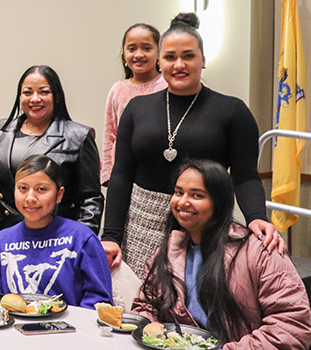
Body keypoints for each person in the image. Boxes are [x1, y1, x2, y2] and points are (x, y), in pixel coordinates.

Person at [101, 13, 282, 279]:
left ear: (203, 60)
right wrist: (111, 235)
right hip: (142, 226)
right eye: (170, 57)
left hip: (205, 225)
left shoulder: (232, 111)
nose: (179, 65)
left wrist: (257, 217)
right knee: (141, 311)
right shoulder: (137, 109)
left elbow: (245, 176)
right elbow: (121, 175)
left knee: (199, 307)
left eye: (188, 56)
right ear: (159, 62)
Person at [132, 159, 311, 349]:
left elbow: (292, 327)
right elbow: (145, 306)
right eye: (178, 192)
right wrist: (151, 332)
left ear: (219, 202)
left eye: (197, 195)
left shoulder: (259, 251)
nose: (183, 202)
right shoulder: (169, 249)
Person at [0, 65, 103, 234]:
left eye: (43, 92)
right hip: (4, 234)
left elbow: (90, 200)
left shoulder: (78, 136)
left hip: (56, 237)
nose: (35, 99)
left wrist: (81, 242)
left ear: (56, 96)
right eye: (28, 92)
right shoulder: (2, 130)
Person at [0, 155, 112, 309]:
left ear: (59, 194)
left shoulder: (81, 238)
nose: (30, 198)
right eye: (23, 188)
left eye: (41, 189)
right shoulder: (2, 239)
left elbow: (99, 302)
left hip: (68, 328)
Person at [101, 23, 167, 186]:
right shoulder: (118, 89)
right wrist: (108, 174)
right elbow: (110, 134)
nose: (138, 54)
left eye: (146, 48)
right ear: (124, 55)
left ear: (159, 53)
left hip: (157, 171)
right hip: (122, 173)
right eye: (131, 49)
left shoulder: (167, 85)